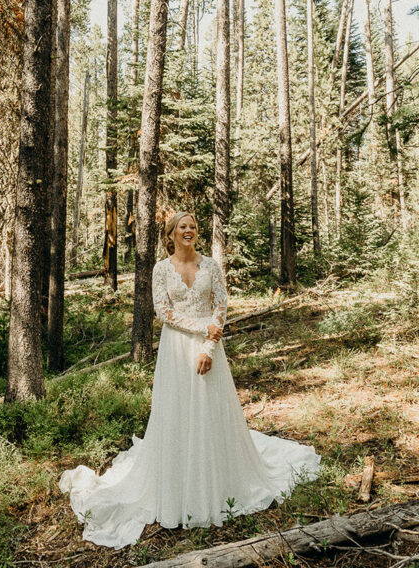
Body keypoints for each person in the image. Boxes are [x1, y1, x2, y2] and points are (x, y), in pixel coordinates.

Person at [58, 211, 321, 548]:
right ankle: (179, 483)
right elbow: (162, 311)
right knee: (178, 413)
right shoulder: (160, 269)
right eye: (183, 226)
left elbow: (221, 306)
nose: (189, 231)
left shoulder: (210, 266)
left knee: (210, 412)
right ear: (171, 233)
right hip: (176, 348)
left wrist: (209, 347)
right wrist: (200, 329)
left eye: (194, 226)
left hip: (210, 349)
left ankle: (215, 483)